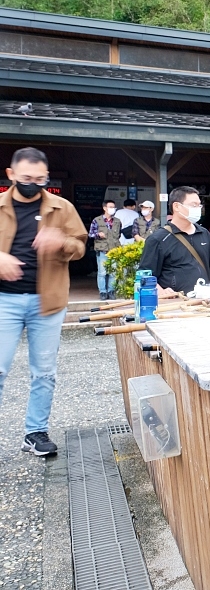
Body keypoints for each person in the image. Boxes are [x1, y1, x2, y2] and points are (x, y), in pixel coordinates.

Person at [0, 147, 87, 457]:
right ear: (11, 175)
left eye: (40, 179)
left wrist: (61, 241)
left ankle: (34, 432)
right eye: (26, 178)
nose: (32, 183)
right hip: (4, 301)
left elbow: (79, 246)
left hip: (46, 301)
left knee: (44, 372)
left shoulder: (61, 208)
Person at [138, 186, 210, 297]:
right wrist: (161, 291)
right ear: (177, 206)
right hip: (175, 305)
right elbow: (145, 275)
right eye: (193, 205)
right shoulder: (158, 239)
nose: (198, 209)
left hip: (205, 303)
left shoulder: (205, 234)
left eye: (199, 205)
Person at [88, 199, 121, 300]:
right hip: (102, 250)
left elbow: (118, 235)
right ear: (104, 208)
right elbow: (90, 234)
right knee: (102, 273)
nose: (112, 209)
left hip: (114, 250)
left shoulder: (117, 221)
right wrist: (98, 234)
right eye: (110, 207)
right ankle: (103, 292)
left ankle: (111, 291)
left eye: (113, 207)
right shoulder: (97, 220)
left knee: (113, 272)